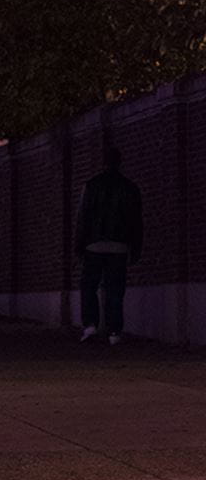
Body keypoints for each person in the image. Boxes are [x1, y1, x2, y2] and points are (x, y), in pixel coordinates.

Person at [75, 143, 142, 345]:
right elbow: (136, 221)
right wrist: (135, 248)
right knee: (115, 289)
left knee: (89, 286)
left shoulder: (91, 185)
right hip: (119, 245)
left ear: (103, 162)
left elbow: (83, 217)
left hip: (94, 244)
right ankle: (114, 331)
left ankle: (90, 325)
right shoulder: (130, 188)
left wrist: (79, 245)